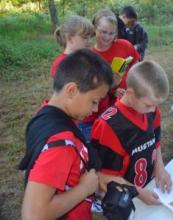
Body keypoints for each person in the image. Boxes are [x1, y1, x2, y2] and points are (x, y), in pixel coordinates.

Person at [20, 49, 113, 220]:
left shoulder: (45, 113)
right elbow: (33, 215)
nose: (95, 109)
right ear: (71, 90)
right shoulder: (62, 144)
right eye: (94, 101)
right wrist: (84, 189)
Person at [91, 60, 172, 205]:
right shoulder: (108, 126)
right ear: (130, 93)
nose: (154, 110)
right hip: (123, 198)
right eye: (148, 105)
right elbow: (105, 178)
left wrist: (160, 167)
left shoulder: (152, 111)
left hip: (147, 186)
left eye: (156, 105)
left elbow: (156, 142)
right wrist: (138, 193)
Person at [77, 9, 140, 142]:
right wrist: (112, 90)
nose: (107, 37)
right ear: (95, 29)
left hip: (129, 103)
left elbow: (137, 67)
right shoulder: (90, 55)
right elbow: (89, 88)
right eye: (103, 32)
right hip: (105, 111)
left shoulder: (125, 46)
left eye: (111, 33)